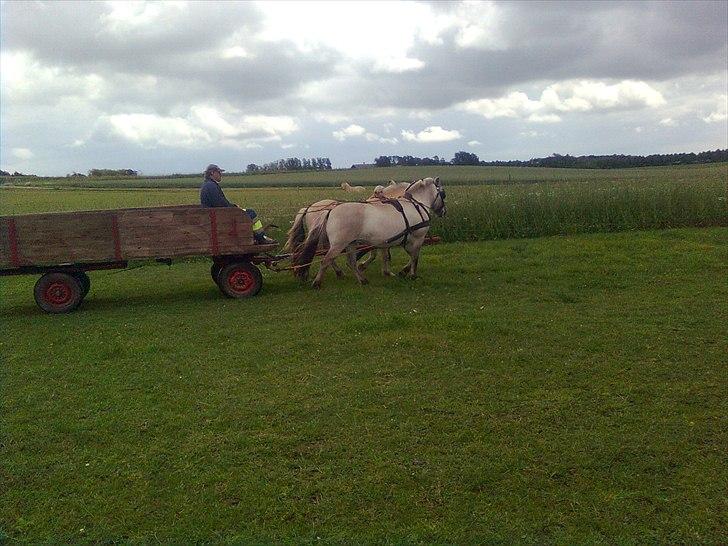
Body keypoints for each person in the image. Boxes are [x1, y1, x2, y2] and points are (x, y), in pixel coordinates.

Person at [200, 164, 276, 244]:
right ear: (212, 173)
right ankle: (261, 237)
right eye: (219, 172)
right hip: (219, 216)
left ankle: (254, 237)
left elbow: (220, 203)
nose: (221, 175)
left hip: (216, 215)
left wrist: (233, 206)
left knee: (247, 213)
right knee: (251, 213)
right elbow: (220, 204)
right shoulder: (211, 186)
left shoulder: (208, 185)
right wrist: (234, 207)